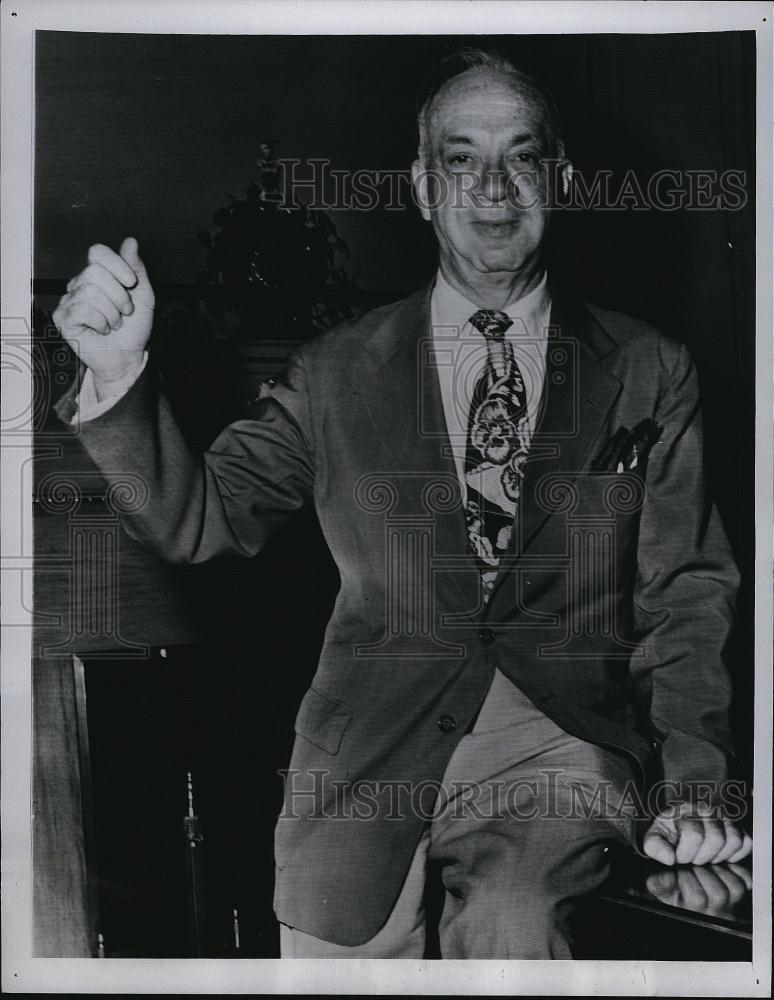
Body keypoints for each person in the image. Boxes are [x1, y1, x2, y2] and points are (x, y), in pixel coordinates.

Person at [52, 48, 751, 959]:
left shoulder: (650, 368)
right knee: (338, 956)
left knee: (516, 927)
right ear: (423, 188)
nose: (493, 186)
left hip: (559, 746)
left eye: (522, 156)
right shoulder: (336, 369)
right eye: (461, 159)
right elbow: (198, 522)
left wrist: (697, 788)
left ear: (562, 180)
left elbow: (686, 593)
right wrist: (116, 376)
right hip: (365, 755)